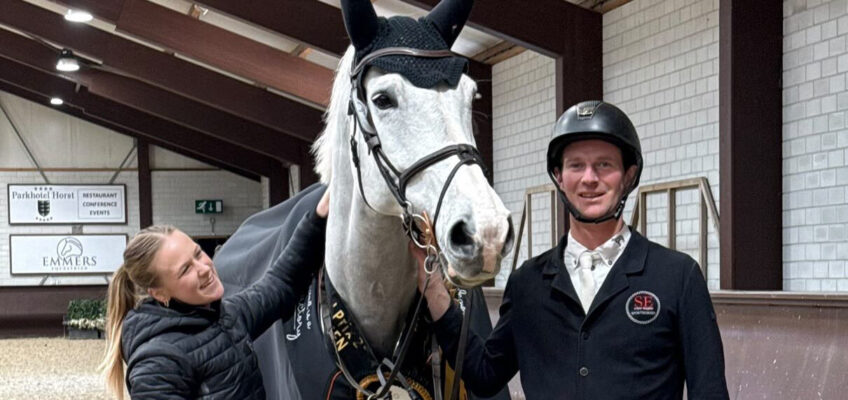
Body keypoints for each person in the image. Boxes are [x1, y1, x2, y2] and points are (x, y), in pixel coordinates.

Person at [416, 101, 729, 399]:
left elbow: (710, 391)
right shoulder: (528, 283)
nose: (589, 179)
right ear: (559, 177)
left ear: (628, 176)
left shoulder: (678, 276)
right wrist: (433, 290)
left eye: (604, 165)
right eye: (576, 165)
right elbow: (485, 375)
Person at [99, 188, 330, 400]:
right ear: (159, 294)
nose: (204, 268)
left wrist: (317, 218)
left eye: (198, 254)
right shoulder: (158, 364)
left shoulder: (225, 317)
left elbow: (279, 284)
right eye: (185, 270)